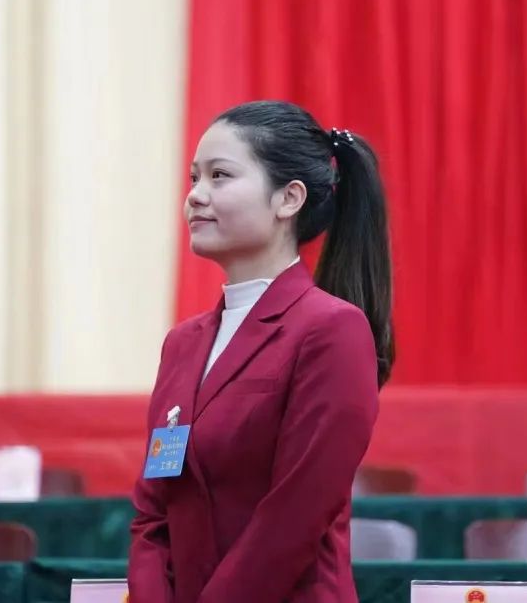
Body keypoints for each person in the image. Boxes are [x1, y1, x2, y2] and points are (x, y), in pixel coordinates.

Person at [128, 100, 395, 603]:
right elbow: (153, 513)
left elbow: (295, 515)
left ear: (288, 198)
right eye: (194, 178)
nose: (195, 196)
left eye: (220, 176)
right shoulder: (182, 343)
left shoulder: (331, 331)